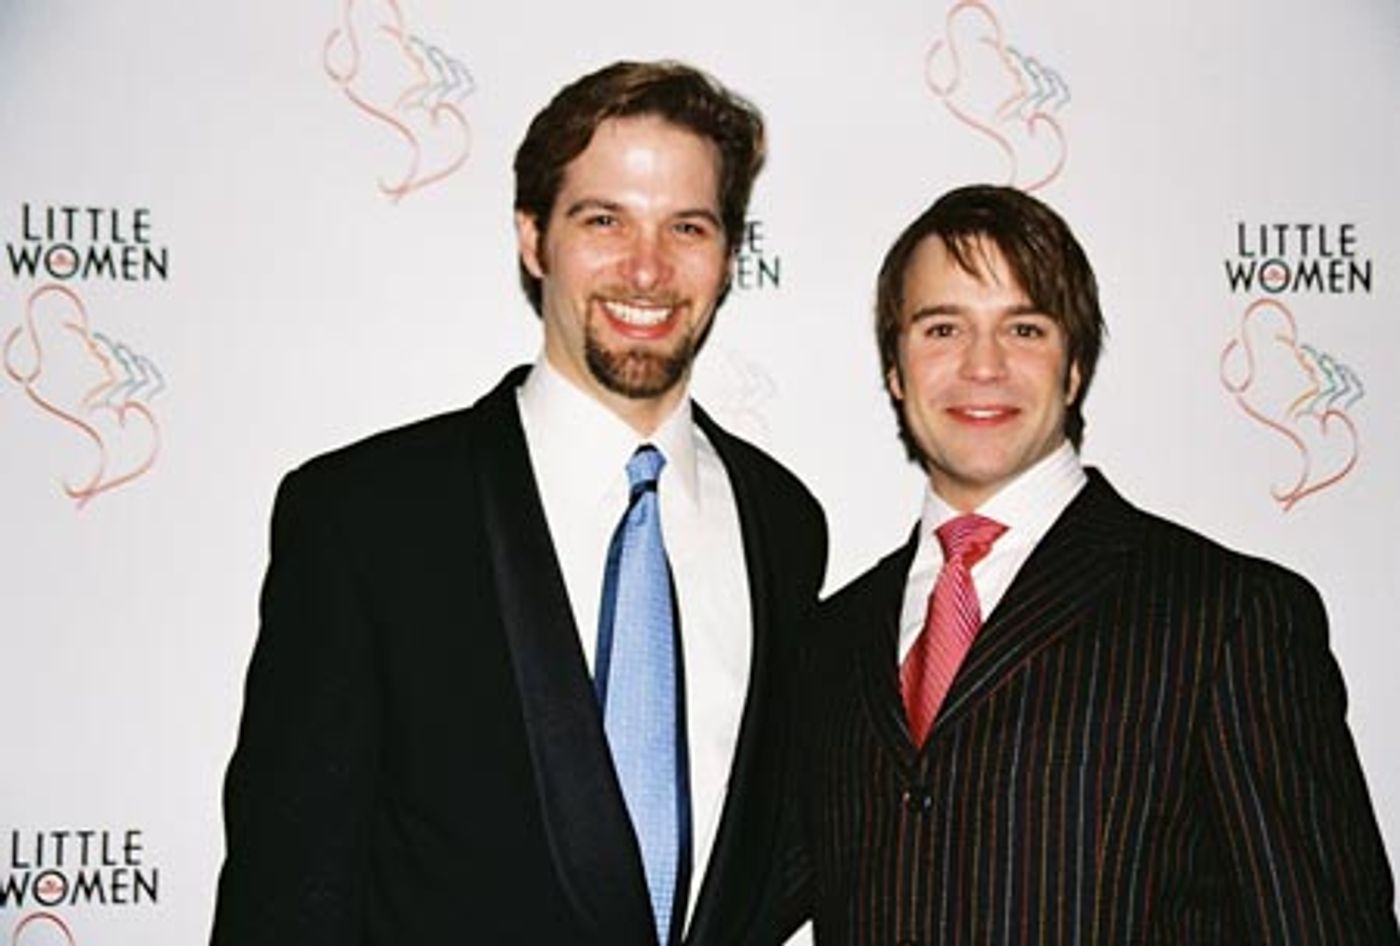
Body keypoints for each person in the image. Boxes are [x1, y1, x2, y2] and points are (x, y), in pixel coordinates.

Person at [210, 60, 826, 946]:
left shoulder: (785, 522)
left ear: (729, 256)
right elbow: (285, 899)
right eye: (604, 219)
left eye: (687, 226)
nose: (647, 267)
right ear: (533, 238)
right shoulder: (365, 520)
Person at [797, 184, 1397, 944]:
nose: (983, 365)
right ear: (895, 368)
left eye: (1024, 328)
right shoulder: (829, 642)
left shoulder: (1225, 616)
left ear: (1075, 366)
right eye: (943, 328)